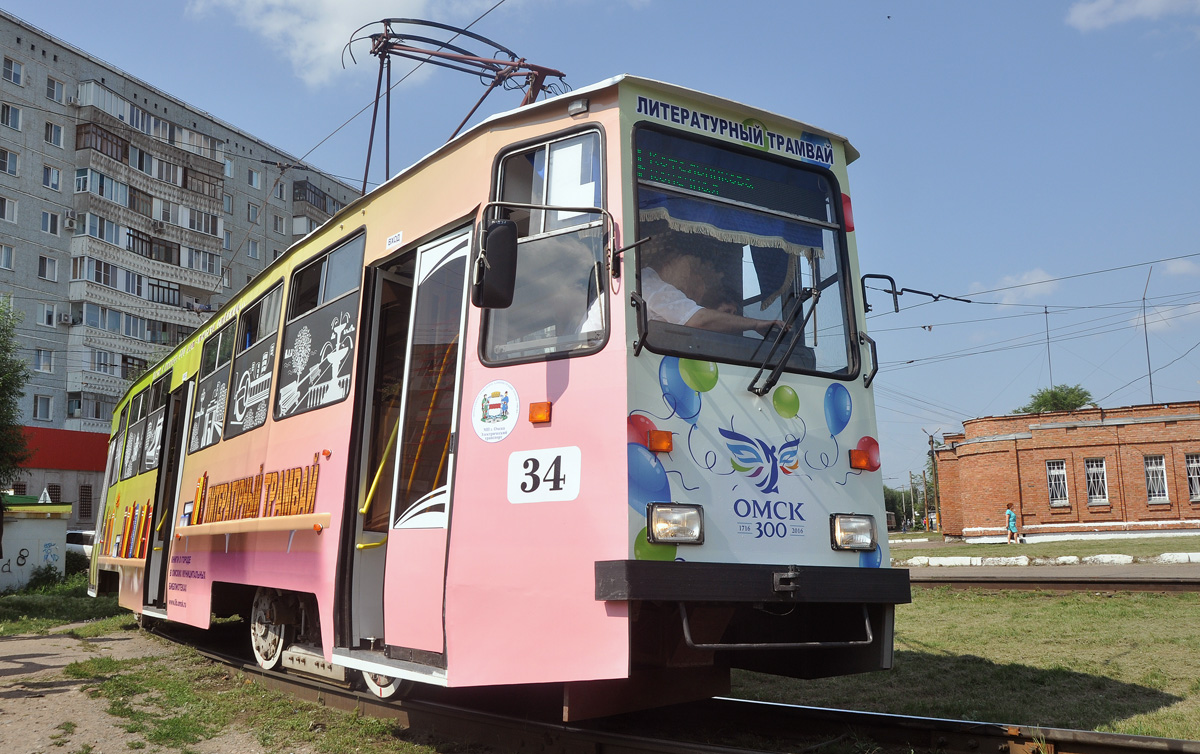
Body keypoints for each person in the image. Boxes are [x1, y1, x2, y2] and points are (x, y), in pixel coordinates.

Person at [642, 246, 784, 336]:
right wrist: (755, 324)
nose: (690, 280)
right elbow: (700, 320)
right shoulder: (650, 285)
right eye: (693, 268)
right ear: (670, 260)